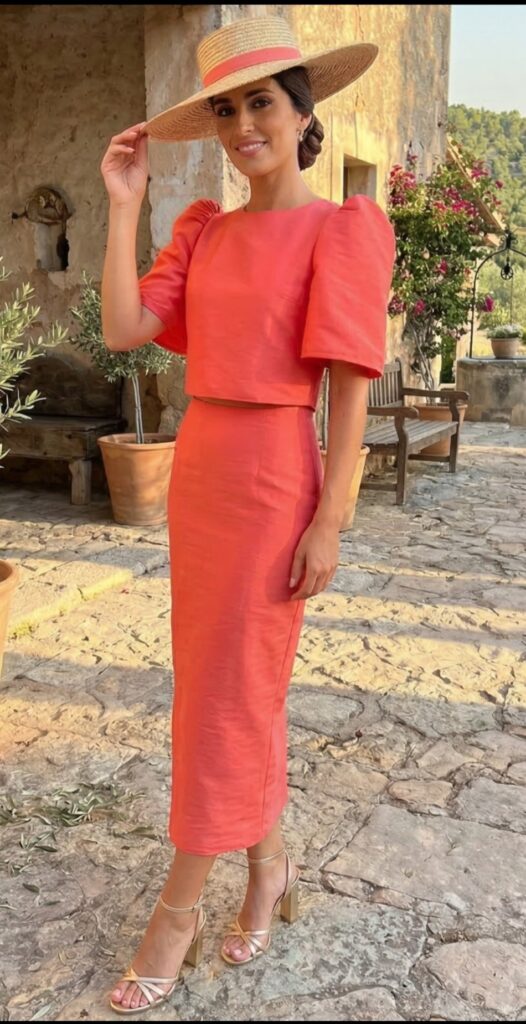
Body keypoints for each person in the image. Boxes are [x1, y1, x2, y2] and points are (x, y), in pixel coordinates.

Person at [100, 13, 395, 1016]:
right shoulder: (204, 231)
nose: (240, 127)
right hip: (202, 473)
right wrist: (124, 206)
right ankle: (268, 867)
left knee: (227, 696)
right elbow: (125, 326)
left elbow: (349, 387)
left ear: (302, 110)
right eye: (224, 110)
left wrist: (331, 518)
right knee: (226, 687)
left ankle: (176, 912)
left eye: (259, 102)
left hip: (274, 477)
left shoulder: (342, 228)